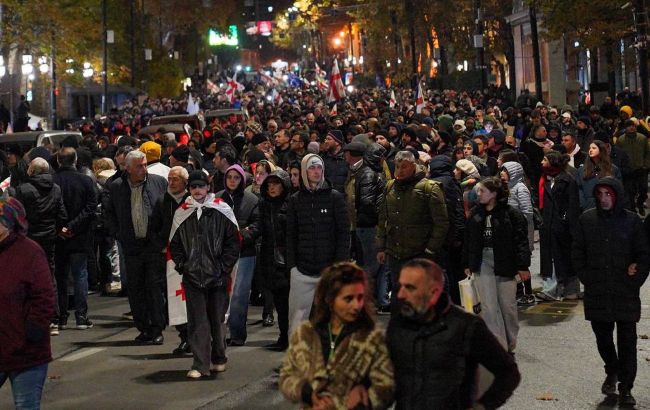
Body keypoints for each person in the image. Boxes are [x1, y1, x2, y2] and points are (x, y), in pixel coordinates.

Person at [387, 258, 520, 409]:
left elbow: (508, 373)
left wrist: (482, 406)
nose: (401, 295)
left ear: (434, 292)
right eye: (400, 286)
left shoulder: (466, 326)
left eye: (410, 288)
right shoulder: (398, 325)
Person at [573, 177, 649, 406]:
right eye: (600, 194)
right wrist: (586, 277)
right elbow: (577, 251)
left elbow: (643, 255)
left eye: (608, 194)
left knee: (627, 342)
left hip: (625, 290)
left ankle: (626, 387)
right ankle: (612, 368)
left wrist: (635, 280)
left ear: (616, 195)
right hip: (598, 290)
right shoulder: (587, 220)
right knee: (603, 338)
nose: (604, 199)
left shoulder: (632, 221)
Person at [279, 262, 394, 410]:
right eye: (348, 299)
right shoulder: (306, 334)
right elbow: (287, 378)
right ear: (329, 299)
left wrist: (363, 399)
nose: (356, 305)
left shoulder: (372, 337)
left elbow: (386, 387)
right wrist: (309, 393)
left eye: (360, 298)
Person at [169, 171, 240, 378]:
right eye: (193, 187)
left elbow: (233, 242)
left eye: (201, 186)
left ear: (208, 187)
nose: (197, 190)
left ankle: (218, 358)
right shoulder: (182, 212)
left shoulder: (221, 210)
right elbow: (175, 244)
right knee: (198, 322)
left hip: (217, 277)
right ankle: (200, 364)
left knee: (217, 320)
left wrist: (223, 267)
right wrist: (184, 266)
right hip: (193, 278)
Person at [105, 150, 168, 344]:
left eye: (145, 164)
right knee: (136, 289)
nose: (144, 169)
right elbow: (109, 214)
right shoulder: (116, 187)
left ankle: (157, 328)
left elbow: (167, 211)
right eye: (139, 166)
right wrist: (119, 234)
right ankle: (144, 328)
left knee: (154, 288)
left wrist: (161, 239)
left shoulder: (158, 182)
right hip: (131, 247)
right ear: (128, 168)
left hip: (153, 246)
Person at [462, 177, 531, 353]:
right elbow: (468, 240)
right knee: (488, 306)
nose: (478, 194)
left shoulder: (511, 214)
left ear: (494, 193)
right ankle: (498, 346)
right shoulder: (475, 214)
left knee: (507, 306)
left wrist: (523, 266)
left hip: (505, 262)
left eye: (482, 191)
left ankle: (510, 341)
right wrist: (467, 263)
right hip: (482, 261)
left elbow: (521, 241)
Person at [0, 198, 56, 410]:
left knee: (26, 406)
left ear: (8, 224)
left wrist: (32, 331)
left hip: (26, 353)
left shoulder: (30, 252)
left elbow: (44, 296)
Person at [286, 154, 349, 335]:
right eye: (312, 168)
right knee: (297, 321)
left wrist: (339, 265)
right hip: (302, 271)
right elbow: (291, 235)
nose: (316, 172)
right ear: (305, 172)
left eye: (319, 168)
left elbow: (343, 234)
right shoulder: (295, 200)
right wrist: (292, 267)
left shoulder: (335, 197)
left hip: (328, 270)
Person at [377, 150, 449, 306]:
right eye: (397, 166)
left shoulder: (430, 188)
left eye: (404, 167)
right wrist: (381, 247)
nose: (399, 171)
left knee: (421, 297)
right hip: (395, 253)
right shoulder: (390, 187)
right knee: (399, 296)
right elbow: (383, 218)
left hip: (420, 253)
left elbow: (441, 223)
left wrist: (430, 249)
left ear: (413, 166)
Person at [216, 164, 261, 346]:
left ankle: (237, 334)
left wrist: (241, 236)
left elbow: (257, 225)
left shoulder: (251, 199)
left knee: (240, 295)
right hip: (221, 254)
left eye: (236, 177)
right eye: (229, 177)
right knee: (220, 294)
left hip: (245, 253)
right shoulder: (218, 198)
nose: (232, 181)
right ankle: (218, 334)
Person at [53, 147, 97, 330]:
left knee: (60, 276)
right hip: (80, 235)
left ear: (58, 161)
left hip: (58, 236)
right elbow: (91, 207)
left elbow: (50, 208)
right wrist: (73, 226)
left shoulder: (52, 180)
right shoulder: (85, 180)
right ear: (75, 160)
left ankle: (61, 317)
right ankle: (81, 316)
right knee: (80, 274)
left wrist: (62, 227)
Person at [152, 166, 190, 355]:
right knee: (174, 298)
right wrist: (161, 245)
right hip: (168, 258)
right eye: (170, 179)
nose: (171, 182)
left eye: (175, 179)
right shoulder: (161, 202)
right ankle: (184, 336)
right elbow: (155, 227)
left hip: (189, 257)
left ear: (185, 182)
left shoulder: (191, 201)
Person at [536, 151, 582, 301]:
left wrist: (564, 220)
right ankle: (552, 289)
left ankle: (569, 290)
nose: (541, 163)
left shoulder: (567, 181)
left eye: (545, 159)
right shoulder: (547, 179)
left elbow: (573, 205)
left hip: (563, 227)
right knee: (552, 259)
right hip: (549, 225)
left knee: (565, 258)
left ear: (553, 162)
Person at [259, 170, 292, 351]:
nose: (272, 187)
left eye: (276, 183)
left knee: (289, 303)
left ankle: (290, 337)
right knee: (279, 302)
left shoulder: (291, 204)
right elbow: (260, 228)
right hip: (270, 259)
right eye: (269, 184)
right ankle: (284, 337)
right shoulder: (264, 205)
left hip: (288, 261)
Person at [500, 161, 535, 306]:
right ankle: (519, 291)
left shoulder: (520, 188)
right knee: (515, 263)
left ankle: (528, 292)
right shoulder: (506, 188)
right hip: (511, 231)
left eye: (505, 170)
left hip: (521, 231)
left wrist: (524, 231)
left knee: (522, 263)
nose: (502, 173)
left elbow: (527, 211)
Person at [616, 119, 650, 215]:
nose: (631, 127)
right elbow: (618, 154)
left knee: (643, 190)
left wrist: (646, 165)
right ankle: (633, 210)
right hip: (628, 170)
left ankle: (640, 203)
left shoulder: (642, 138)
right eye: (629, 126)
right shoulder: (621, 140)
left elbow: (648, 153)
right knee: (630, 192)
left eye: (633, 126)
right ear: (626, 128)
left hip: (641, 169)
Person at [576, 140, 621, 211]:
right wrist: (583, 204)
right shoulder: (581, 170)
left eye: (594, 148)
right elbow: (579, 189)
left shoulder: (613, 169)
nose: (590, 150)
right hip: (588, 207)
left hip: (608, 206)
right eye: (590, 148)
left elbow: (618, 188)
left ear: (601, 150)